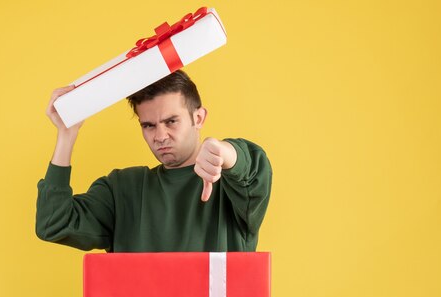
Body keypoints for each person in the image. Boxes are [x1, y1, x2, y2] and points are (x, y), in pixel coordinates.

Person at [36, 70, 271, 252]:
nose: (159, 136)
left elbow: (251, 168)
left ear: (198, 118)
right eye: (148, 125)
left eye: (171, 121)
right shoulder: (122, 188)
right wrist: (66, 136)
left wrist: (224, 152)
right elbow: (54, 224)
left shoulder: (230, 185)